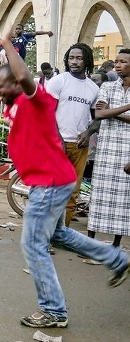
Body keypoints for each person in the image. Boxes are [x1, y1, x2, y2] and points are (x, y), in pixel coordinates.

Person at [0, 31, 129, 328]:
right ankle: (118, 259)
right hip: (53, 179)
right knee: (58, 235)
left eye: (3, 86)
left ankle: (54, 311)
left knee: (33, 244)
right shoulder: (11, 101)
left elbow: (23, 75)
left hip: (50, 182)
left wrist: (6, 43)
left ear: (18, 83)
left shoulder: (37, 100)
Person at [44, 43, 100, 228]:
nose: (74, 62)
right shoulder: (59, 81)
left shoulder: (93, 89)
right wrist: (57, 138)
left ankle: (61, 234)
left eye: (79, 58)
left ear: (87, 61)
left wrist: (89, 131)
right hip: (56, 145)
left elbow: (97, 119)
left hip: (80, 147)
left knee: (72, 194)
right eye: (71, 58)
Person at [87, 48, 130, 247]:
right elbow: (99, 114)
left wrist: (111, 112)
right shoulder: (108, 86)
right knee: (99, 195)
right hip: (107, 148)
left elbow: (106, 112)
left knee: (124, 198)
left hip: (127, 151)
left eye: (123, 62)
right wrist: (126, 109)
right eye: (116, 61)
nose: (118, 65)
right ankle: (90, 241)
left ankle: (115, 244)